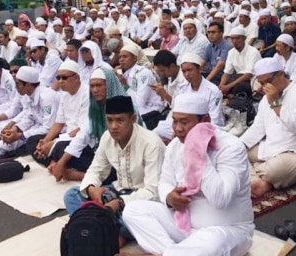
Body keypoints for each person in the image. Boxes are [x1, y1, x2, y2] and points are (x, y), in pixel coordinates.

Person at [120, 93, 254, 256]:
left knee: (210, 244)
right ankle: (171, 252)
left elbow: (221, 199)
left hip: (227, 230)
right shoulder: (175, 146)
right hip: (184, 225)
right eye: (175, 121)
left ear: (205, 121)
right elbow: (165, 181)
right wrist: (169, 198)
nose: (178, 129)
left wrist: (198, 154)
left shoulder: (232, 148)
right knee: (133, 210)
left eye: (184, 122)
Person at [63, 95, 166, 246]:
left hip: (142, 201)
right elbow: (96, 169)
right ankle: (110, 229)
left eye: (120, 120)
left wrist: (119, 203)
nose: (113, 126)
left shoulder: (151, 143)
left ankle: (102, 227)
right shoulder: (107, 137)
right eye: (109, 120)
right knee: (72, 195)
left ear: (133, 119)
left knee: (133, 218)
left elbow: (153, 192)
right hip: (118, 191)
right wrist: (91, 188)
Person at [240, 58, 296, 198]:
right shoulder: (266, 99)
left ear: (281, 74)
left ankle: (258, 175)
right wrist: (238, 145)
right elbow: (258, 128)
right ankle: (258, 181)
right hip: (272, 150)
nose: (265, 86)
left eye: (268, 81)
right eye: (261, 83)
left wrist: (276, 104)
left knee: (276, 170)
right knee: (238, 152)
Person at [116, 45, 165, 130]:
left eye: (125, 56)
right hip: (135, 111)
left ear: (135, 58)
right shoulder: (123, 73)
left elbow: (139, 103)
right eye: (120, 57)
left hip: (151, 112)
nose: (121, 60)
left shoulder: (144, 73)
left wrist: (125, 86)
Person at [219, 27, 262, 96]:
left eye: (237, 38)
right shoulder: (231, 52)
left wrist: (228, 86)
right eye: (232, 39)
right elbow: (227, 73)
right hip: (239, 78)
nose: (235, 41)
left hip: (253, 79)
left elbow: (248, 75)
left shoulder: (253, 51)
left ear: (244, 38)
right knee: (219, 82)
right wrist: (221, 86)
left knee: (238, 87)